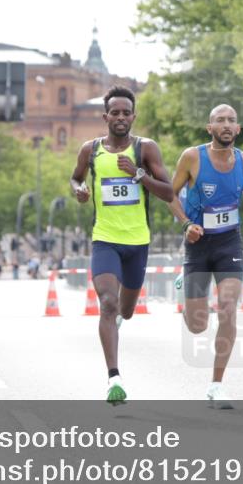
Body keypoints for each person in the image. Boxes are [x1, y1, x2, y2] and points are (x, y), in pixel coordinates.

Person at [69, 85, 173, 404]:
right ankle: (114, 378)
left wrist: (139, 175)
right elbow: (75, 178)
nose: (120, 117)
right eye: (115, 112)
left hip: (137, 242)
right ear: (105, 117)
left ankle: (116, 323)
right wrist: (80, 190)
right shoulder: (91, 150)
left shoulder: (146, 149)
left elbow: (169, 192)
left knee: (126, 311)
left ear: (133, 116)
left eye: (126, 112)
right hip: (105, 239)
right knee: (108, 304)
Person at [169, 104, 243, 409]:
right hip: (197, 243)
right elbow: (169, 195)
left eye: (231, 121)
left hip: (229, 244)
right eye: (219, 120)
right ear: (209, 128)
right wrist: (186, 225)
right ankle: (185, 288)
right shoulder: (192, 157)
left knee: (227, 308)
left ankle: (216, 385)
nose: (226, 124)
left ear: (238, 129)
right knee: (197, 326)